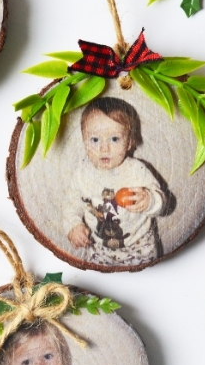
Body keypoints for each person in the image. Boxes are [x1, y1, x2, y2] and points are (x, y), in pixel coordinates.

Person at [63, 97, 165, 267]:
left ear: (129, 142)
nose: (104, 148)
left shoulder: (136, 170)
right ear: (83, 141)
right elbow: (70, 205)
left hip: (139, 247)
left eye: (115, 139)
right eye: (95, 140)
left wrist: (150, 200)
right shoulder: (82, 174)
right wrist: (73, 225)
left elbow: (161, 201)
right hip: (98, 248)